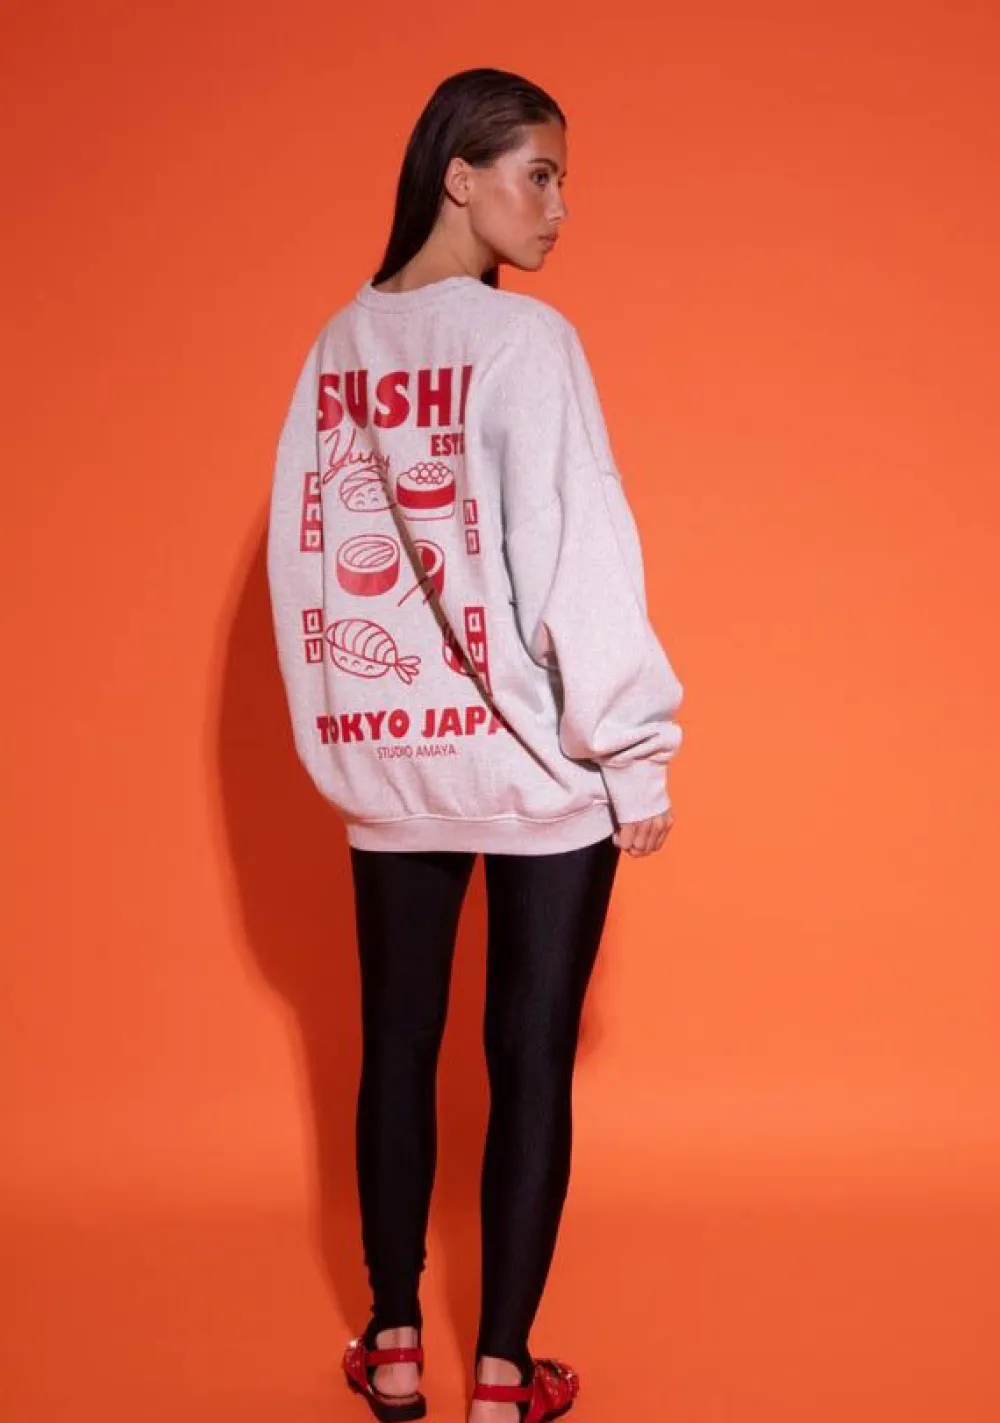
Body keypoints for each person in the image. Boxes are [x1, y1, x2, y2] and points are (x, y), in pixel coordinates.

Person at [267, 66, 684, 1423]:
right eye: (538, 174)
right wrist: (633, 747)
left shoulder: (339, 345)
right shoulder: (528, 344)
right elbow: (579, 553)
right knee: (530, 1058)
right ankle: (502, 1377)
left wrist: (349, 741)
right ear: (459, 174)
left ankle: (393, 1343)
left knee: (395, 1044)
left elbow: (310, 563)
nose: (558, 208)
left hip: (396, 762)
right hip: (540, 768)